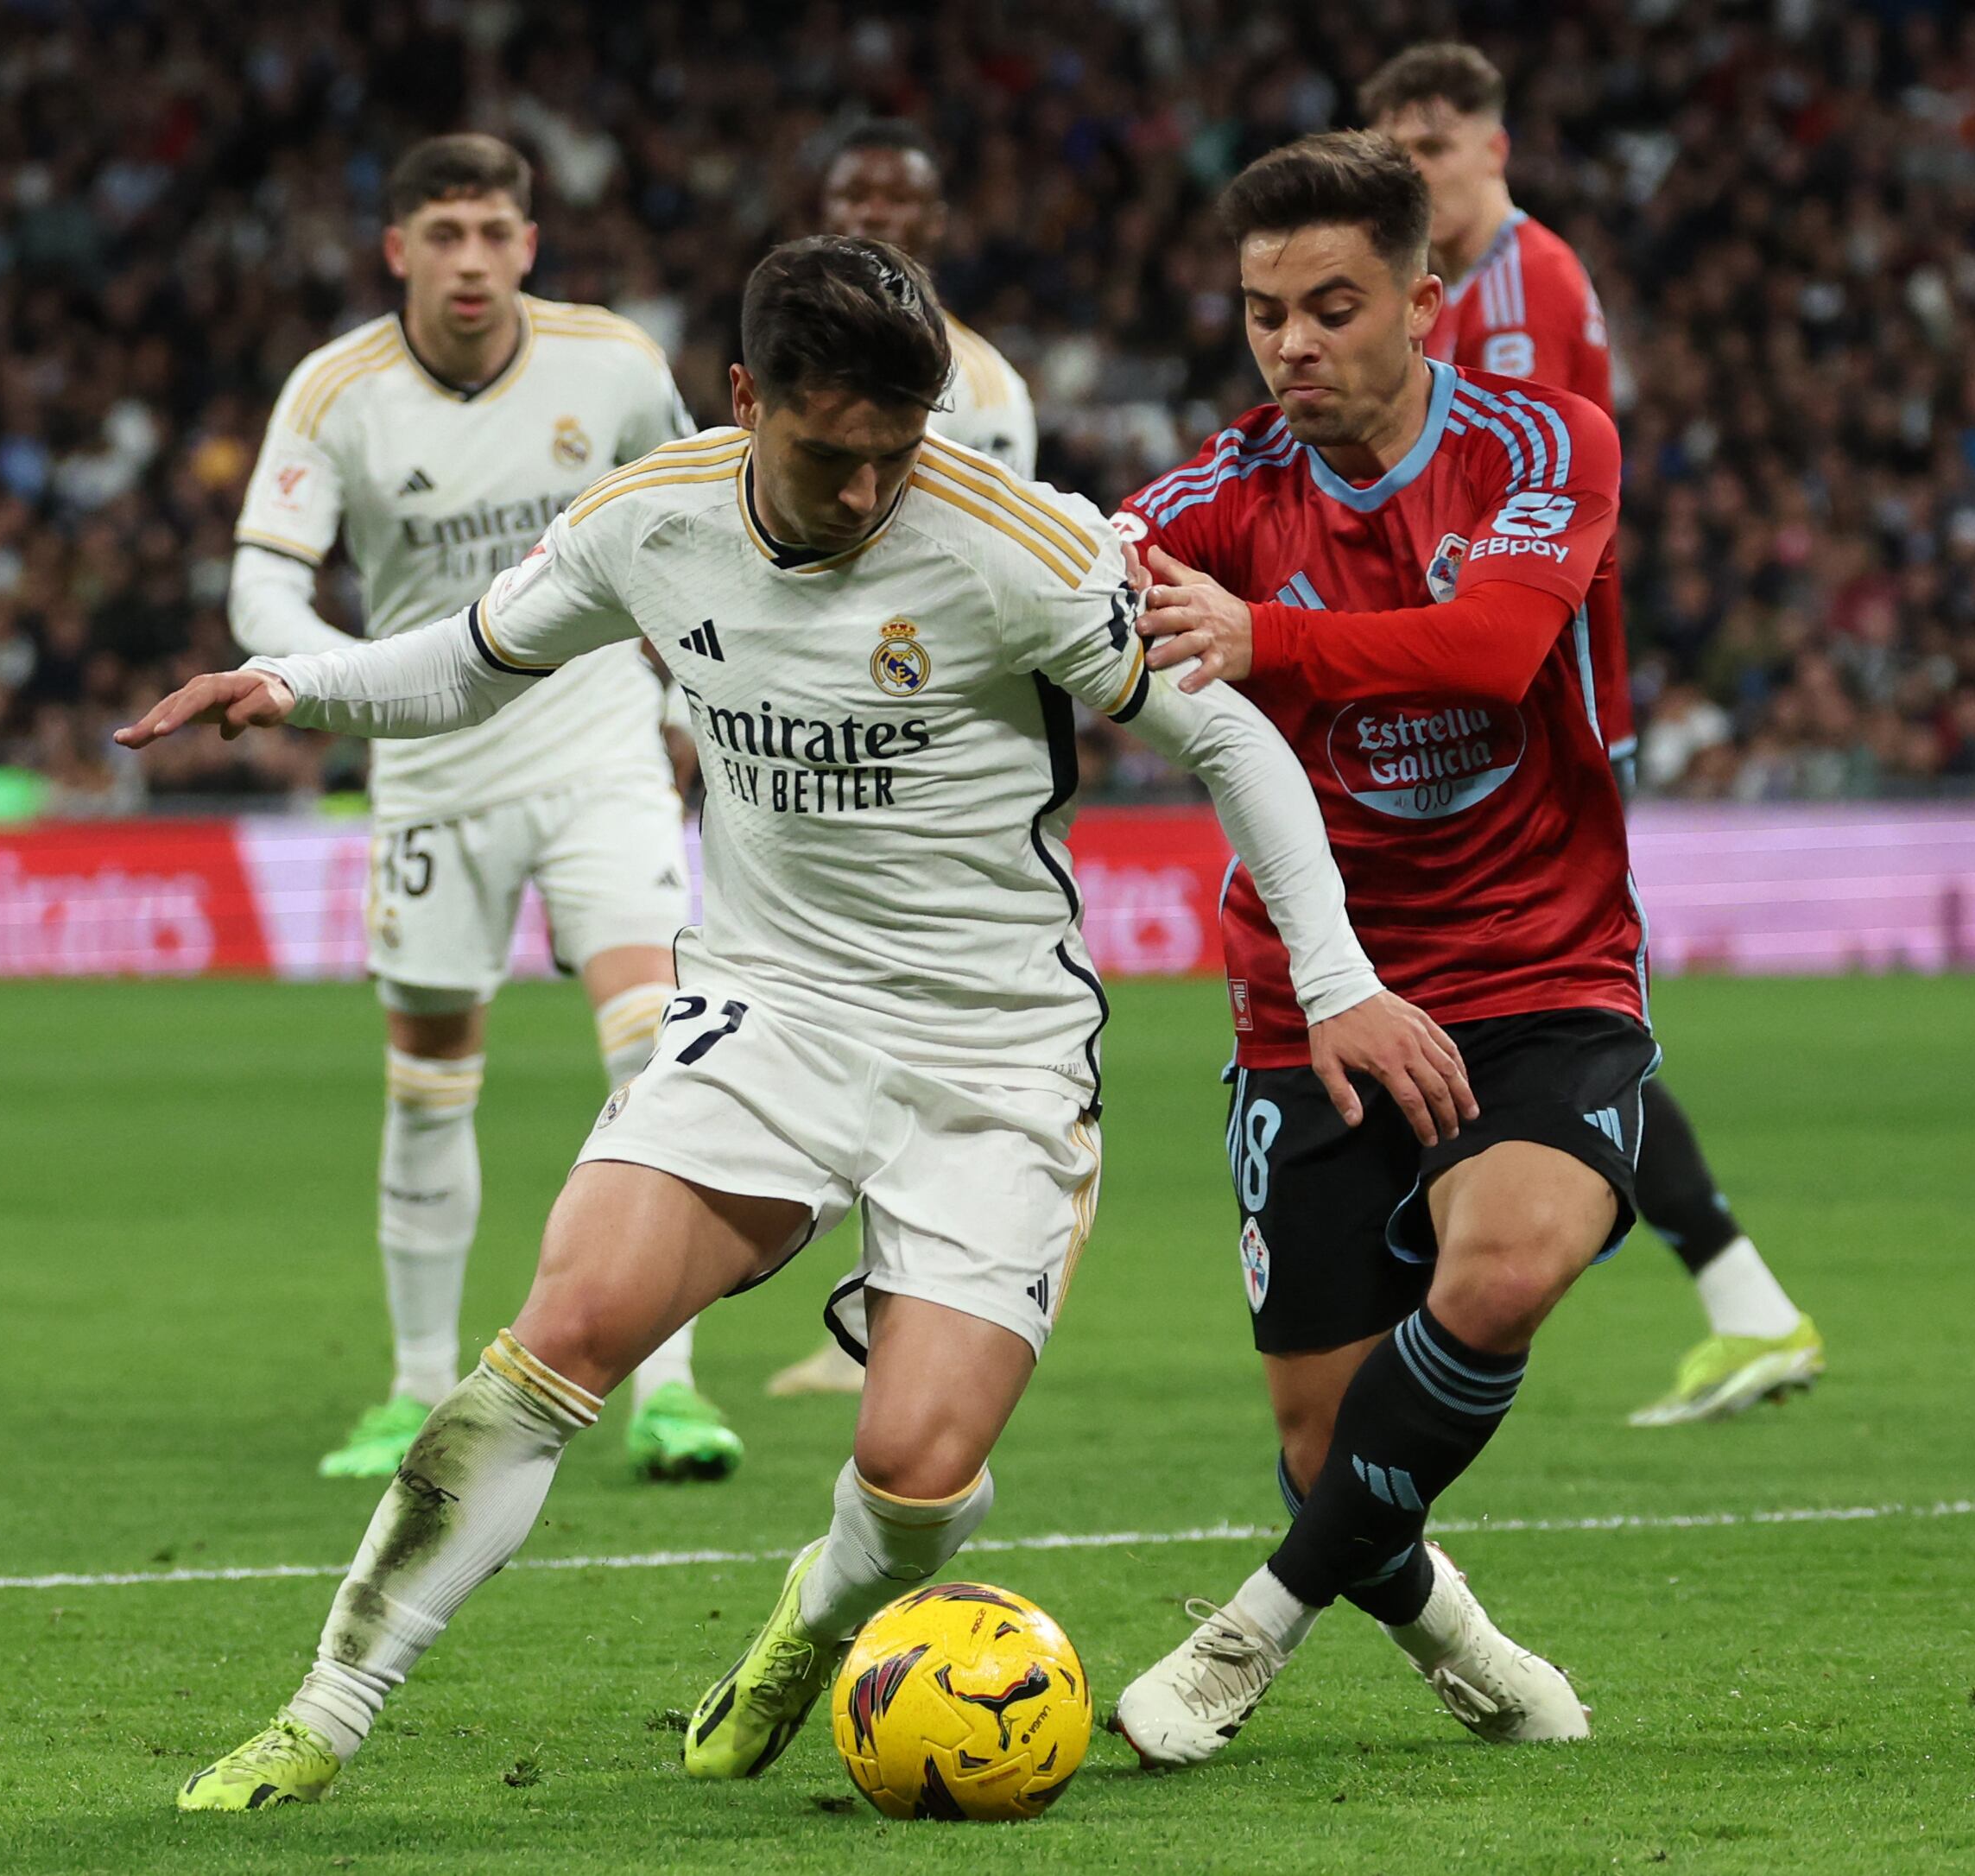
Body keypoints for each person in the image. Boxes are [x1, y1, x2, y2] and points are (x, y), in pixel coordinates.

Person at [131, 235, 1470, 1810]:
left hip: (992, 1056)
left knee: (914, 1468)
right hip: (769, 1011)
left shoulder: (1012, 545)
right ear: (746, 396)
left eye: (893, 457)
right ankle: (326, 1708)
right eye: (829, 455)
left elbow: (1232, 740)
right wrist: (291, 682)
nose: (860, 494)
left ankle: (814, 1615)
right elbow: (472, 662)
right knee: (555, 1339)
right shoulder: (649, 522)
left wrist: (1337, 981)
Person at [1104, 131, 1641, 1766]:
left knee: (1504, 1269)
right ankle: (1457, 1642)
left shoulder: (1546, 440)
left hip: (1534, 972)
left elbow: (1489, 653)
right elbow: (1063, 621)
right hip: (1305, 1003)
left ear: (1422, 299)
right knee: (1322, 1443)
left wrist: (1265, 637)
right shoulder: (1209, 497)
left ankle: (1244, 1631)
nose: (1291, 346)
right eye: (1262, 311)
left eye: (1330, 307)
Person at [230, 133, 744, 1484]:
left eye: (494, 232)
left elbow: (699, 535)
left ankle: (670, 1390)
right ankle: (410, 1388)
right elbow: (266, 580)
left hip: (597, 748)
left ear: (529, 244)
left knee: (659, 1054)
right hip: (431, 769)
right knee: (427, 1088)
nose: (471, 260)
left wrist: (693, 710)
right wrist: (308, 675)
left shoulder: (616, 366)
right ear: (397, 249)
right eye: (443, 234)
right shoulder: (335, 392)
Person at [1364, 42, 1824, 1426]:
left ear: (1494, 148)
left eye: (1435, 148)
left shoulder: (1522, 293)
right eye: (1393, 152)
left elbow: (1500, 505)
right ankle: (1735, 1300)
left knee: (1554, 1024)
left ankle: (1731, 1299)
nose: (1414, 173)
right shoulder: (1456, 291)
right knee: (1502, 1017)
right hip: (1483, 715)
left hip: (1525, 721)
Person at [765, 115, 1041, 1398]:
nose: (880, 210)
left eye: (903, 194)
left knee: (946, 1037)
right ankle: (886, 1300)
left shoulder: (982, 391)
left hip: (940, 759)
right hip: (806, 765)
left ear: (935, 226)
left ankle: (913, 1304)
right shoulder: (776, 375)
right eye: (853, 191)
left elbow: (1006, 596)